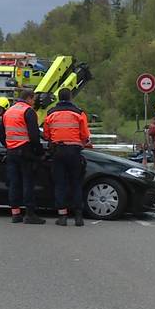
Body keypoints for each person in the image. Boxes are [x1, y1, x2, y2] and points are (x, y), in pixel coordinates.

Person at [43, 88, 91, 226]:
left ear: (58, 98)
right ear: (70, 98)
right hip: (74, 152)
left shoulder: (51, 113)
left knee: (60, 184)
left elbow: (46, 135)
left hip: (58, 151)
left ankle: (62, 217)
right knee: (76, 183)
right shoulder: (79, 113)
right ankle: (78, 217)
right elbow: (85, 135)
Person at [0, 89, 45, 224]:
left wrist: (7, 145)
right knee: (27, 183)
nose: (34, 102)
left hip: (11, 152)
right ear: (29, 98)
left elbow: (0, 132)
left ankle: (15, 214)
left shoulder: (9, 111)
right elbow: (34, 136)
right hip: (25, 152)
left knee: (14, 183)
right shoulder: (28, 111)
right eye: (34, 99)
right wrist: (38, 152)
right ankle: (30, 215)